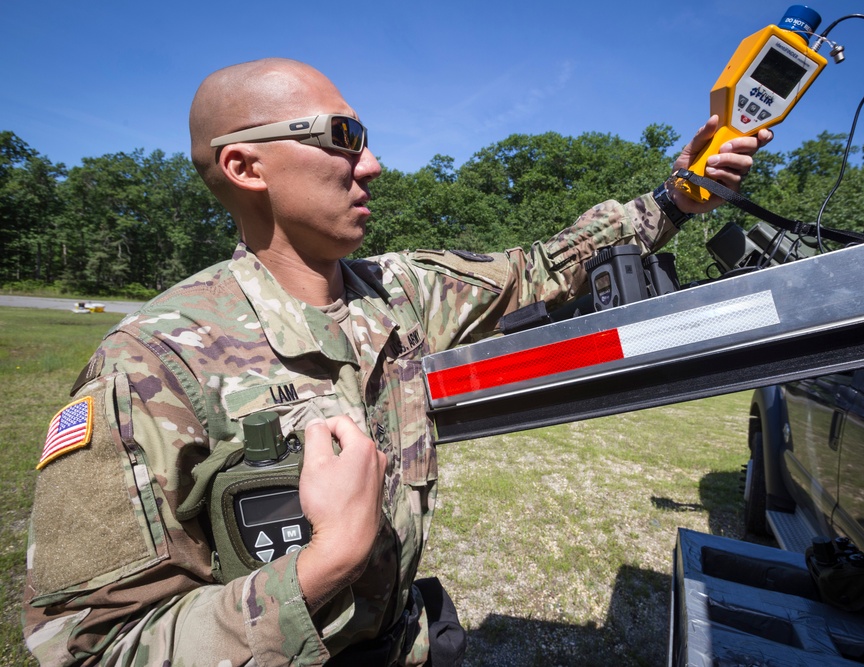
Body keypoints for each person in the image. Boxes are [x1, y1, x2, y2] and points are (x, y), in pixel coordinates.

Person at [22, 57, 770, 666]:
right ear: (247, 166)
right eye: (342, 135)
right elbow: (96, 647)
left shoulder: (400, 293)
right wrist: (326, 563)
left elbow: (540, 266)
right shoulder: (148, 365)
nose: (372, 163)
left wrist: (676, 195)